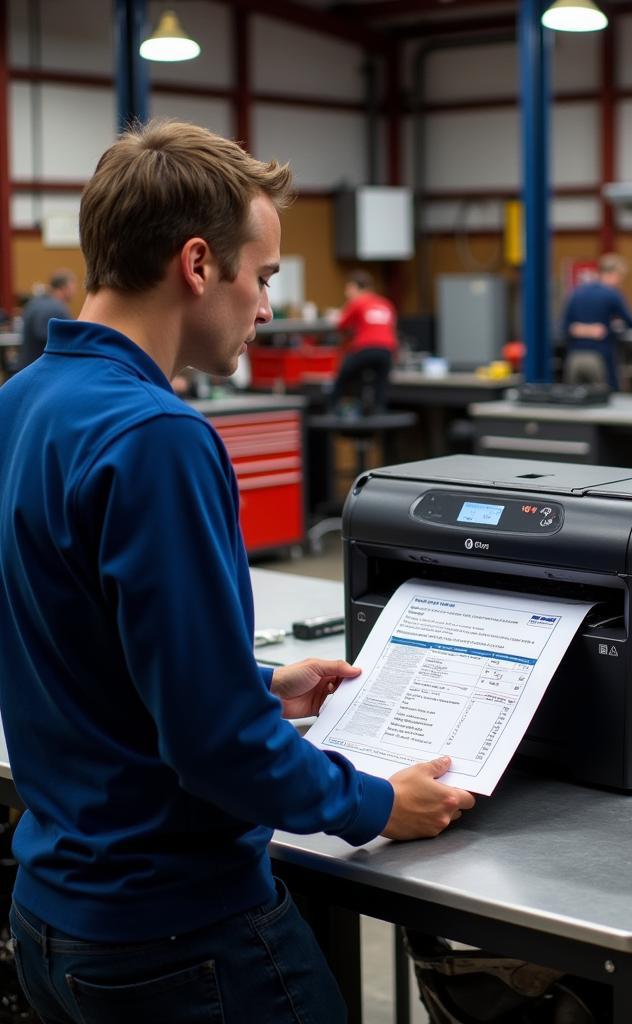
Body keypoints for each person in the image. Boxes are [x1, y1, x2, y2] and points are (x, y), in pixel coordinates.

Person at [0, 120, 475, 1024]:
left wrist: (259, 682)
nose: (265, 309)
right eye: (261, 277)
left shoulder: (19, 406)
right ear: (196, 265)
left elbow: (67, 638)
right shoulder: (157, 438)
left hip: (53, 925)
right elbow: (214, 744)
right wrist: (377, 803)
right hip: (179, 938)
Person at [560, 253, 632, 391]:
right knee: (605, 399)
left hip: (574, 358)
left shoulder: (576, 292)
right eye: (620, 277)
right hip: (599, 358)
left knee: (574, 401)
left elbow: (565, 326)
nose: (620, 282)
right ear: (612, 273)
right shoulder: (611, 294)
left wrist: (582, 330)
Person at [329, 269, 398, 414]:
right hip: (387, 351)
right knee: (380, 384)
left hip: (365, 348)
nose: (346, 293)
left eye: (348, 288)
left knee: (343, 375)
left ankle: (332, 407)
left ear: (354, 287)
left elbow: (341, 325)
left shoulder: (357, 302)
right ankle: (379, 411)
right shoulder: (386, 303)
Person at [14, 270, 76, 372]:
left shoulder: (34, 302)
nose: (74, 291)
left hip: (26, 367)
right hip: (42, 371)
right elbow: (67, 343)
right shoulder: (57, 308)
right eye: (73, 286)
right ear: (64, 287)